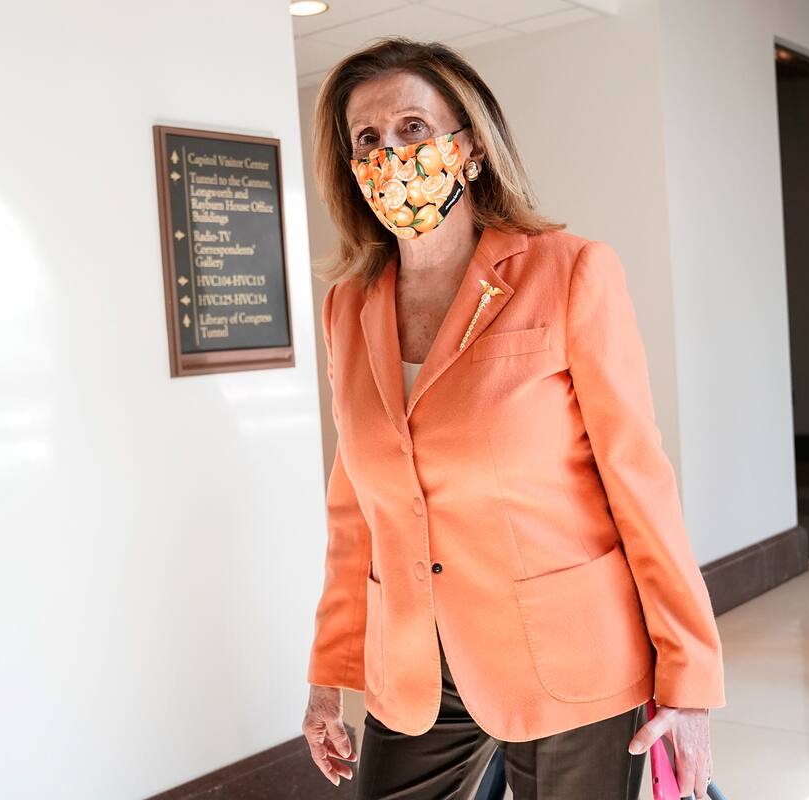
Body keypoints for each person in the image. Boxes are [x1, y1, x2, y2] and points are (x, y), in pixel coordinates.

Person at [299, 37, 725, 800]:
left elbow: (639, 483)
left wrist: (688, 677)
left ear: (468, 150)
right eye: (368, 139)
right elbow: (353, 508)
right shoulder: (347, 309)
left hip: (570, 655)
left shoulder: (570, 273)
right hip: (417, 668)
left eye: (413, 130)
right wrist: (331, 674)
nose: (391, 154)